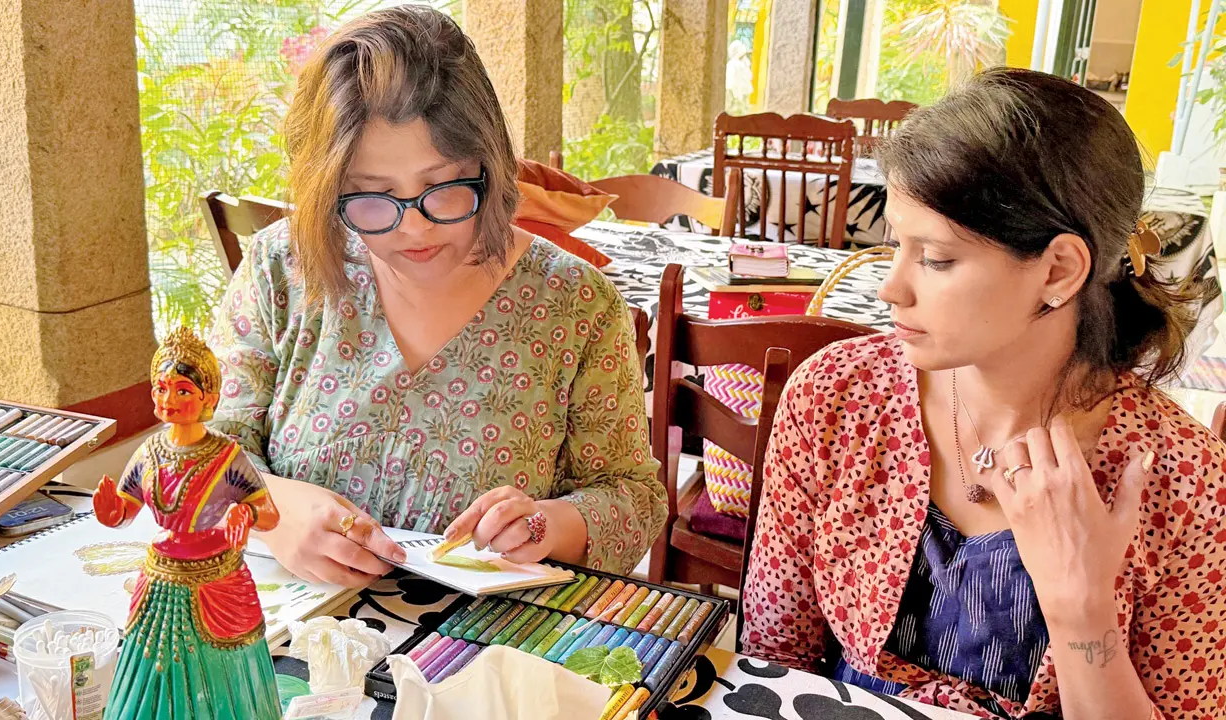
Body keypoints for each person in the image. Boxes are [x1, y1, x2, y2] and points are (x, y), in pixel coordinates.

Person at [741, 68, 1226, 719]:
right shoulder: (839, 397)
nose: (892, 289)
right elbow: (773, 659)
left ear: (1058, 270)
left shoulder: (1184, 483)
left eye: (935, 258)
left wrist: (1083, 616)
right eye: (894, 247)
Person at [207, 6, 663, 587]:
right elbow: (203, 446)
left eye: (444, 187)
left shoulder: (576, 304)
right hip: (289, 650)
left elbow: (633, 498)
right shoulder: (284, 266)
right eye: (372, 197)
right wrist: (270, 513)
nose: (415, 228)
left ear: (490, 167)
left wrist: (546, 524)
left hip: (486, 657)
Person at [95, 327, 283, 719]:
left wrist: (245, 513)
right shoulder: (149, 452)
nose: (170, 399)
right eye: (161, 389)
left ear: (208, 399)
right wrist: (113, 514)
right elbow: (128, 509)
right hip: (160, 578)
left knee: (222, 672)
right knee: (154, 664)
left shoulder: (227, 456)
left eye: (183, 390)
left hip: (218, 578)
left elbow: (270, 514)